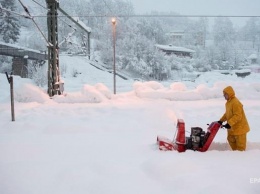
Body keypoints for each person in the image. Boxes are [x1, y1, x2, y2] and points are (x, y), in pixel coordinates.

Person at [218, 86, 250, 151]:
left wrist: (229, 123)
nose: (224, 96)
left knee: (240, 146)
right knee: (230, 138)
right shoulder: (228, 103)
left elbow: (238, 116)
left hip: (240, 128)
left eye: (225, 94)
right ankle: (235, 154)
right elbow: (227, 113)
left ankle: (241, 157)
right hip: (232, 127)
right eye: (224, 94)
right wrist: (221, 121)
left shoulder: (235, 102)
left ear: (230, 94)